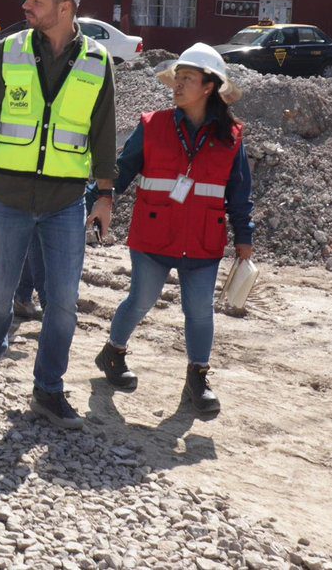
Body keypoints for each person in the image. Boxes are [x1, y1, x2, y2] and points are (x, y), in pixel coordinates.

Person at [0, 0, 116, 430]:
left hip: (65, 201)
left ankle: (48, 389)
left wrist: (107, 194)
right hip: (7, 194)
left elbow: (104, 130)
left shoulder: (97, 59)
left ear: (65, 5)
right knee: (0, 290)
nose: (26, 5)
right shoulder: (8, 50)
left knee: (64, 302)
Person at [92, 43, 254, 419]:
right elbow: (122, 169)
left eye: (187, 80)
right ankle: (113, 353)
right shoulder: (153, 126)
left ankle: (198, 377)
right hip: (153, 236)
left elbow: (240, 191)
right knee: (140, 301)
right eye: (176, 79)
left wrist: (244, 238)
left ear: (209, 87)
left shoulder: (231, 137)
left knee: (199, 312)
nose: (177, 86)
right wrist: (100, 199)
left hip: (202, 241)